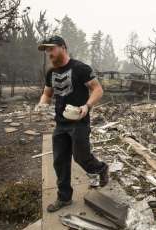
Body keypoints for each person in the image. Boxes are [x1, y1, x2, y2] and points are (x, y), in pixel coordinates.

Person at [35, 35, 108, 212]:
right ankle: (64, 197)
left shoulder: (80, 68)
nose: (48, 54)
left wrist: (87, 105)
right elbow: (47, 93)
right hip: (61, 124)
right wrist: (42, 105)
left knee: (81, 157)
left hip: (79, 121)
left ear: (62, 47)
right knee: (60, 161)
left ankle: (101, 168)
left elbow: (98, 89)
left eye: (51, 49)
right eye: (46, 51)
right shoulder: (51, 73)